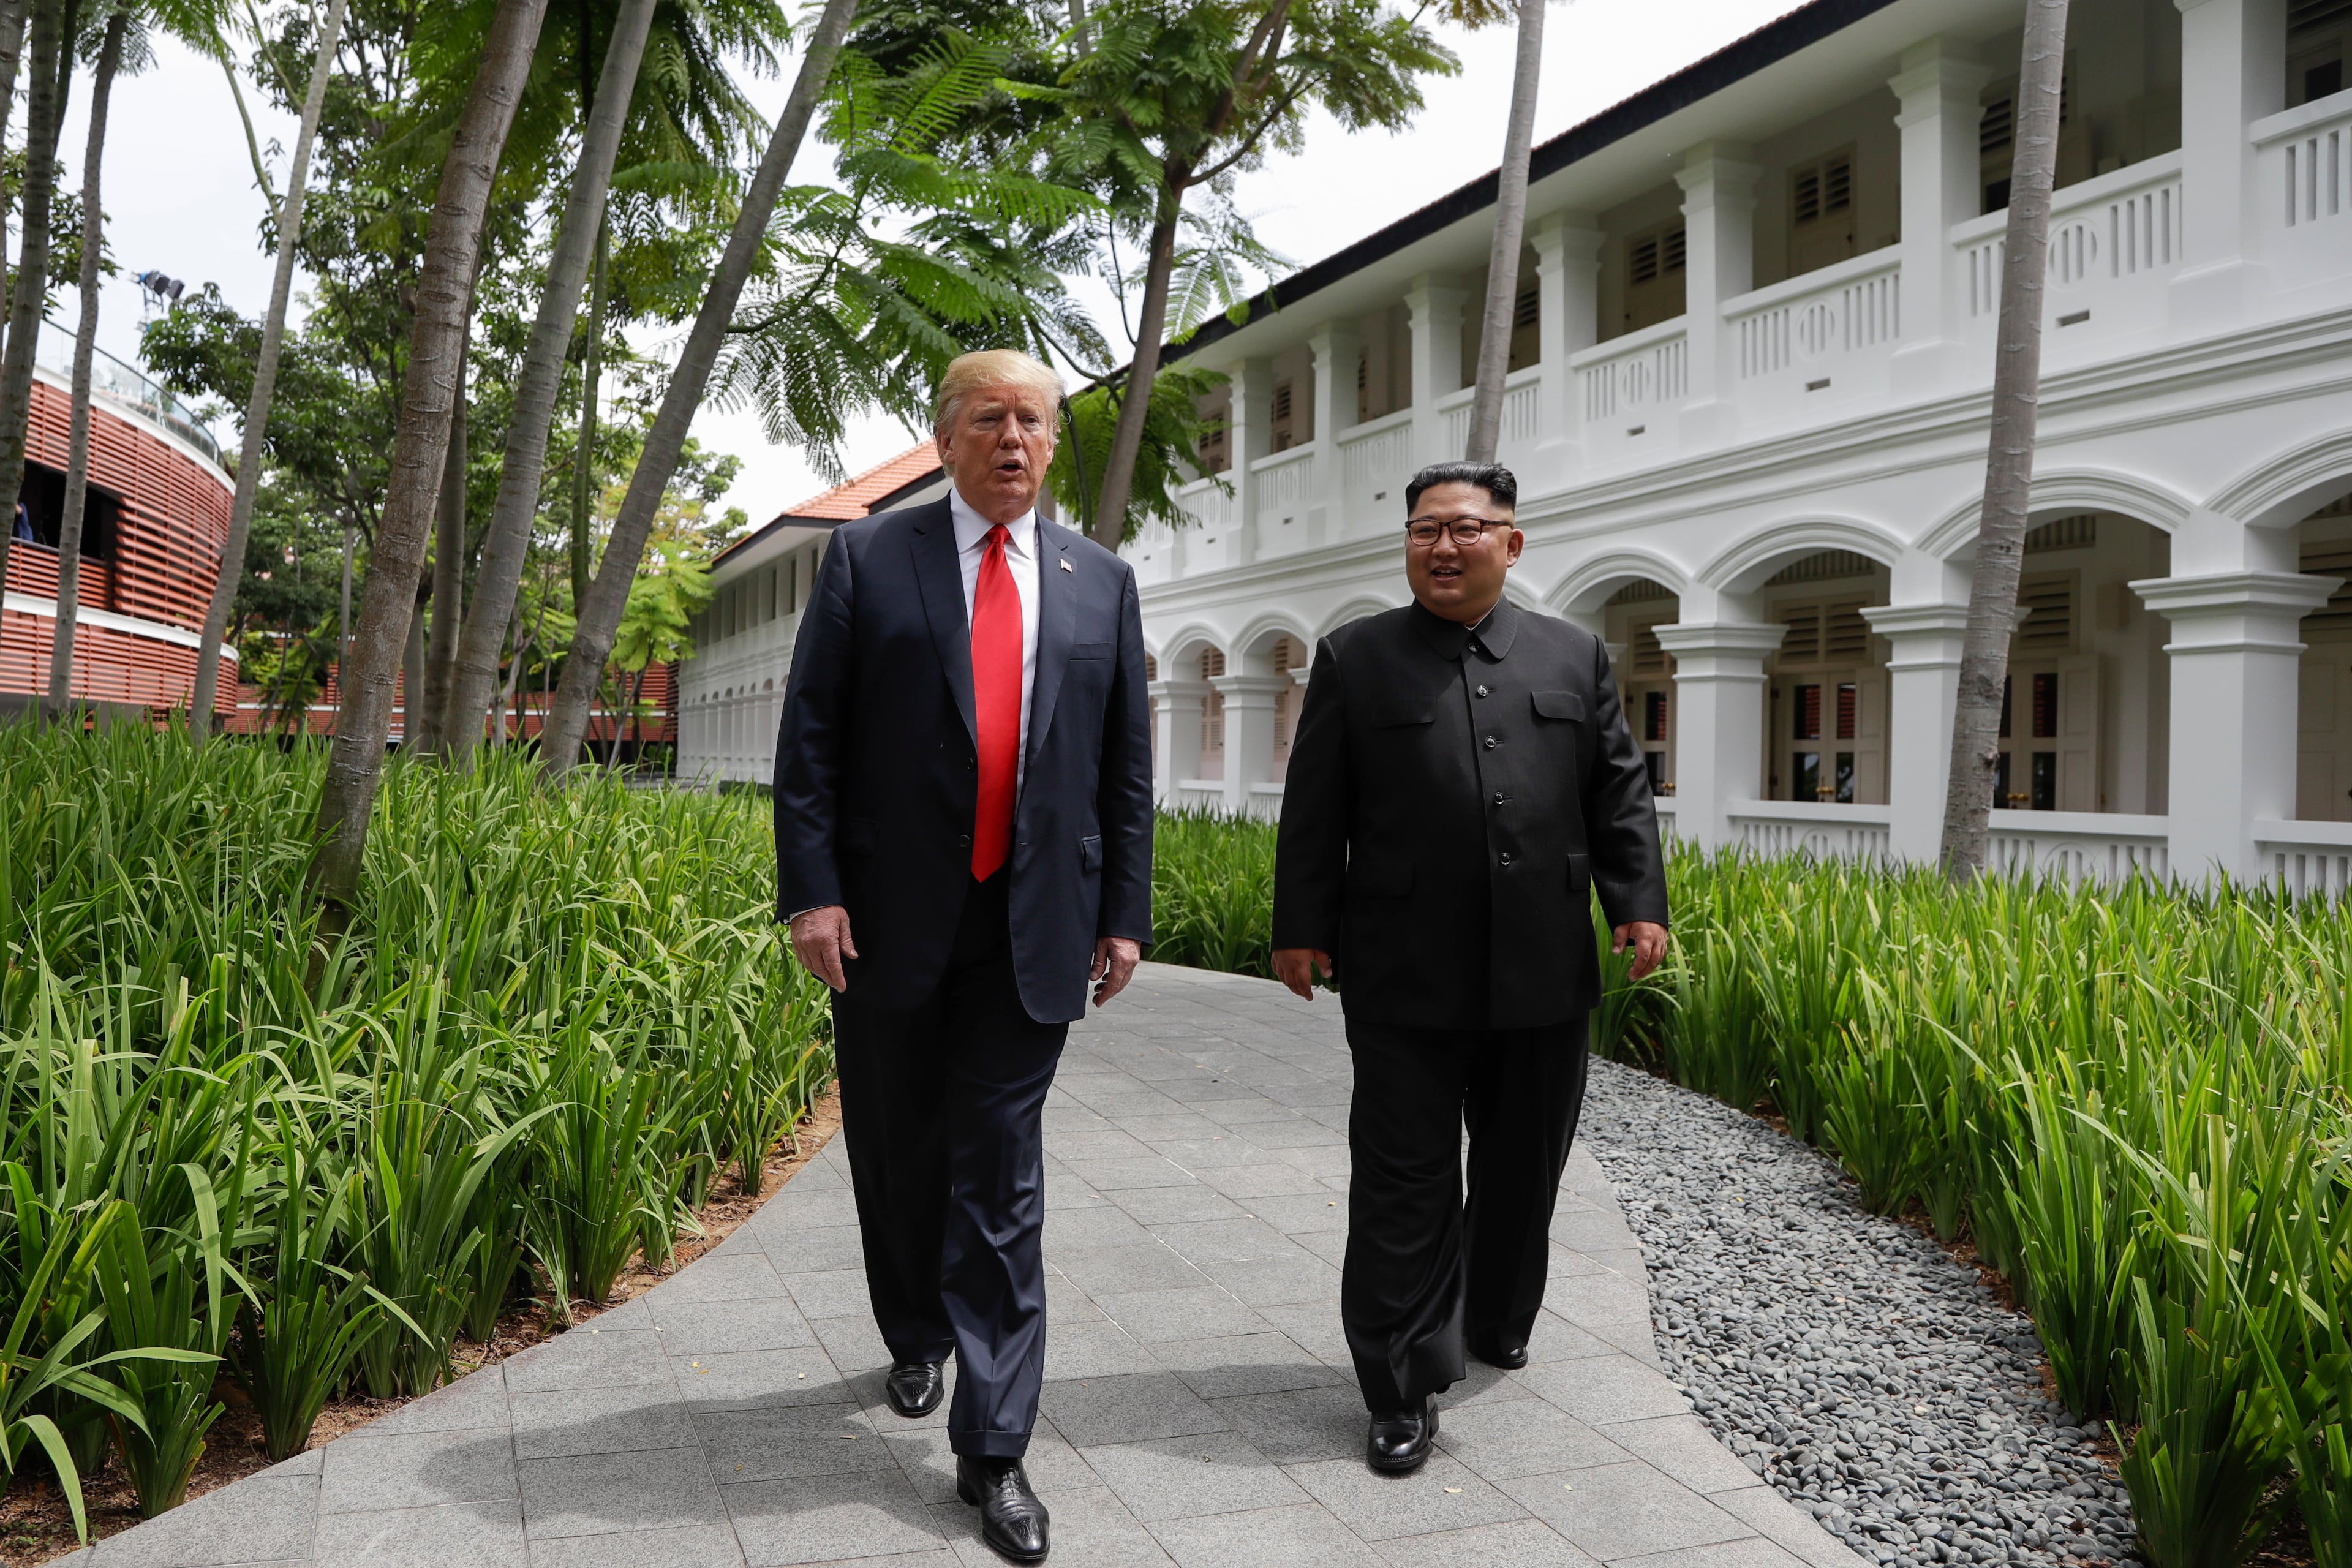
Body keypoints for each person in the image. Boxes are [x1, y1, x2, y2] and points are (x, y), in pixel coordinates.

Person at [775, 348, 1153, 1563]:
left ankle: (995, 1449)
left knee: (1001, 1173)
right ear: (945, 436)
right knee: (897, 1148)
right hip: (888, 918)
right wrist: (815, 894)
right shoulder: (870, 559)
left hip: (1031, 926)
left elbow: (1123, 771)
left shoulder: (1101, 581)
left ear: (1053, 443)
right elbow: (813, 738)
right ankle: (914, 1327)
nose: (1012, 439)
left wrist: (1125, 910)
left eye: (1033, 421)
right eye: (988, 417)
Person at [1270, 460, 1669, 1475]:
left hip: (1544, 965)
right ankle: (1401, 1383)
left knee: (1522, 1166)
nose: (1442, 547)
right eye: (1423, 531)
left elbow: (1619, 790)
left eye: (1466, 529)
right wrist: (1298, 926)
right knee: (1404, 1181)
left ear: (1511, 542)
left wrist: (1637, 905)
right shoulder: (1355, 658)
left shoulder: (1573, 655)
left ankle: (1496, 1317)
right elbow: (1314, 807)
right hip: (1403, 969)